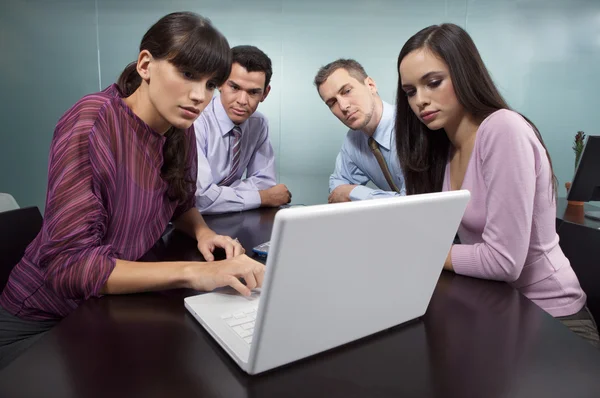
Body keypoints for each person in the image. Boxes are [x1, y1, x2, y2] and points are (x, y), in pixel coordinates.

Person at [0, 12, 265, 369]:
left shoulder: (179, 126)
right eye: (187, 74)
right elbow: (70, 266)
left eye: (211, 84)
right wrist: (194, 273)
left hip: (105, 308)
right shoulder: (92, 121)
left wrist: (204, 233)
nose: (199, 96)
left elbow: (180, 203)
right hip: (42, 322)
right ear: (145, 64)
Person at [395, 23, 599, 347]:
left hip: (556, 323)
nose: (420, 100)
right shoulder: (446, 151)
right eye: (409, 92)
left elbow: (503, 261)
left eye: (433, 83)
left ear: (464, 73)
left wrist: (424, 252)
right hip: (503, 310)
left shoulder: (503, 129)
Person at [194, 45, 291, 214]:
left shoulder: (258, 123)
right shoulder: (196, 120)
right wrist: (263, 197)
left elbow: (264, 182)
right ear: (220, 83)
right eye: (235, 87)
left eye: (253, 92)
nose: (242, 100)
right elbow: (200, 199)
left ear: (265, 94)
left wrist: (219, 194)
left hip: (233, 218)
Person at [314, 59, 406, 203]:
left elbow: (416, 200)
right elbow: (337, 188)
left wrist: (354, 192)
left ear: (371, 85)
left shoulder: (409, 128)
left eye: (347, 91)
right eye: (332, 103)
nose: (343, 106)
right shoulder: (354, 140)